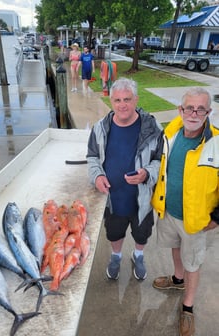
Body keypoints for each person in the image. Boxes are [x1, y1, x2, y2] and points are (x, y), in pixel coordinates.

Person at [151, 87, 219, 336]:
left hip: (197, 219)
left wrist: (217, 218)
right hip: (169, 211)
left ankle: (188, 306)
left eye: (200, 108)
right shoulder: (171, 131)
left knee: (193, 262)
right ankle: (177, 281)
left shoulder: (216, 143)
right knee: (176, 248)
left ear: (208, 112)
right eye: (189, 107)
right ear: (181, 110)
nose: (194, 113)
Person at [86, 77, 163, 281]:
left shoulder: (153, 128)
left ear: (136, 100)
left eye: (127, 99)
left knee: (141, 234)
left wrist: (147, 173)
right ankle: (116, 256)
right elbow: (92, 157)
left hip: (142, 199)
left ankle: (138, 255)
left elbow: (159, 161)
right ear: (111, 101)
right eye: (118, 100)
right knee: (114, 234)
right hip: (114, 198)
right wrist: (98, 176)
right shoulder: (99, 128)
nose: (123, 105)